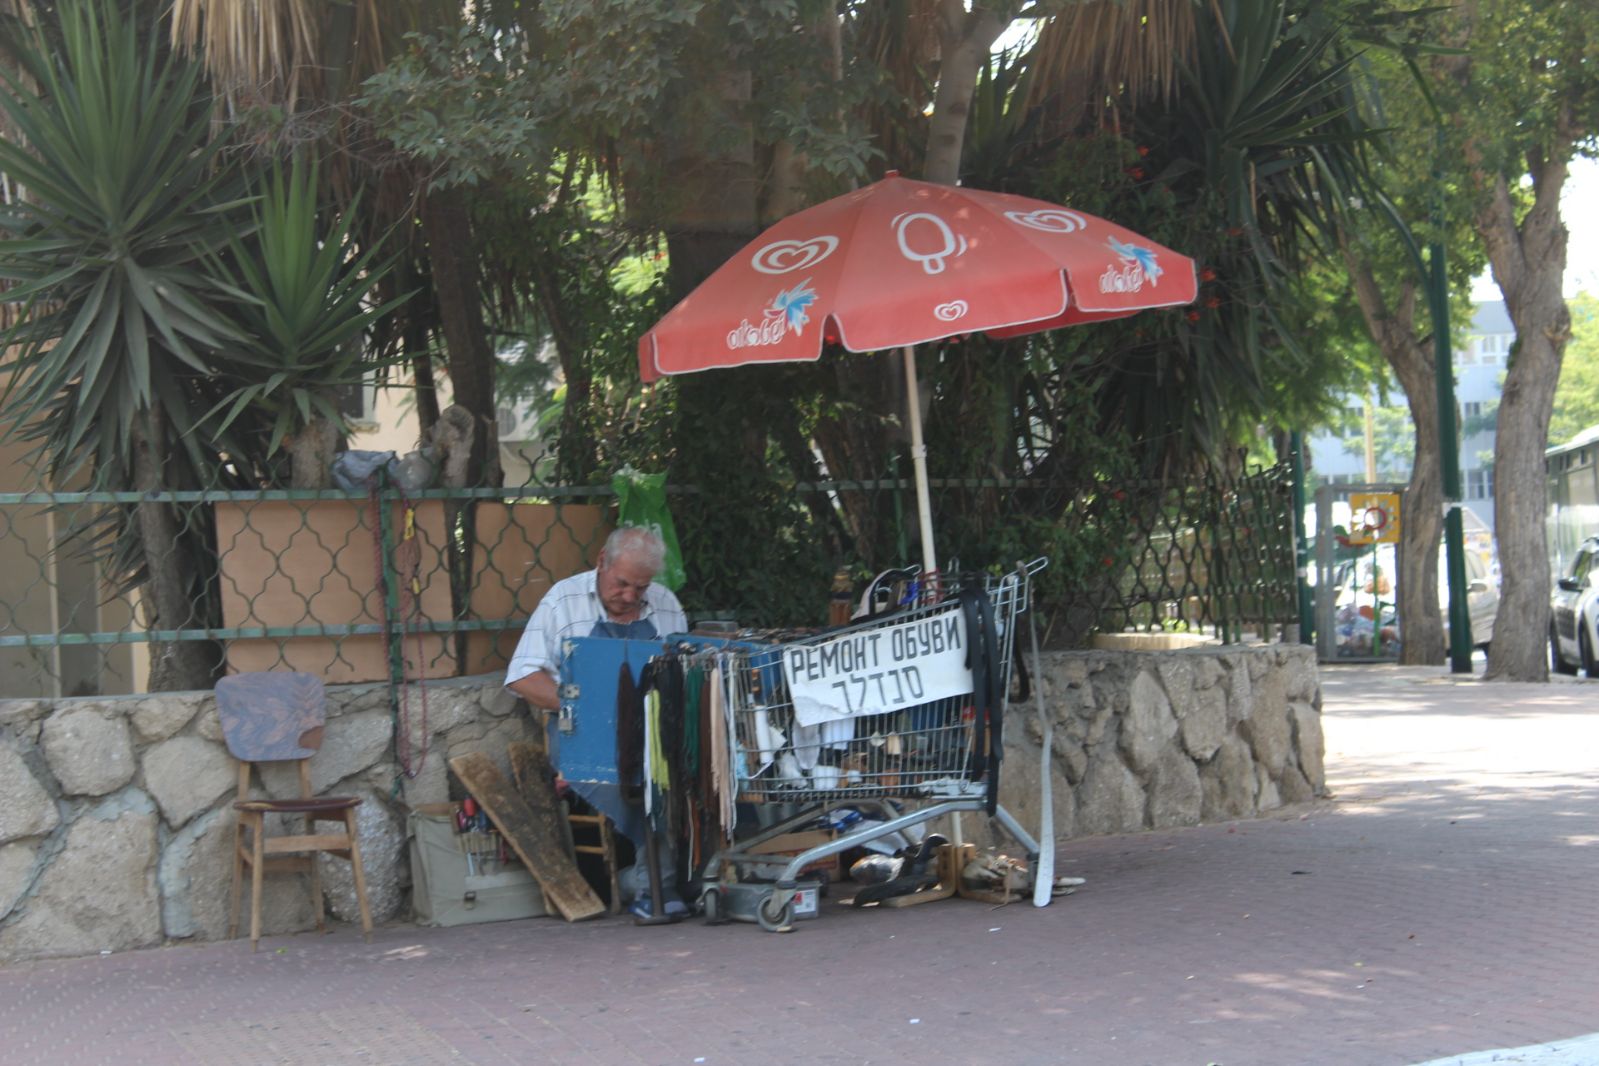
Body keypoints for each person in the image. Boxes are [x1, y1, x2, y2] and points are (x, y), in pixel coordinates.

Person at [504, 525, 689, 918]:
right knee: (631, 785)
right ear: (601, 562)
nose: (629, 596)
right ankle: (658, 886)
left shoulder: (667, 604)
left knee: (681, 780)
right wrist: (584, 706)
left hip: (652, 734)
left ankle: (646, 882)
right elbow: (522, 676)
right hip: (583, 733)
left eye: (640, 589)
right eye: (622, 584)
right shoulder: (562, 601)